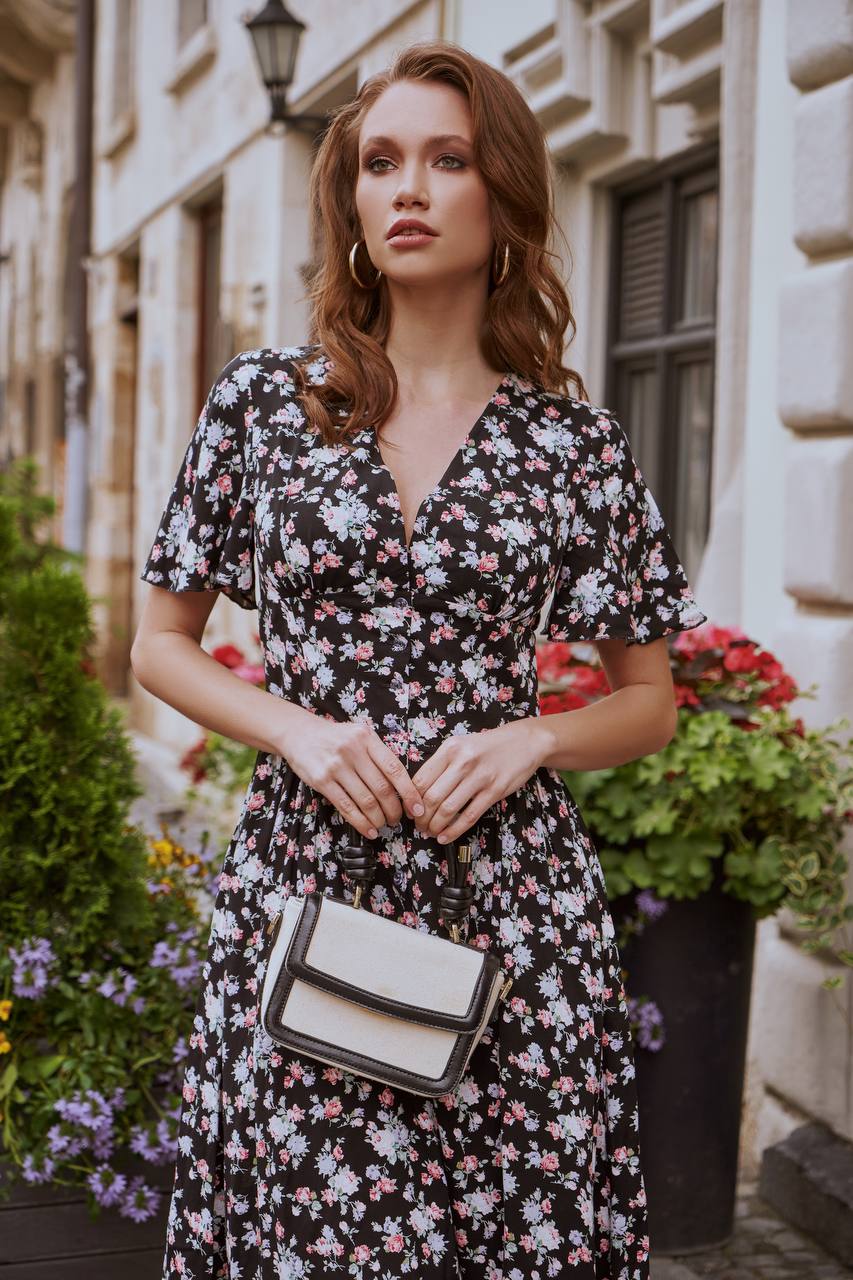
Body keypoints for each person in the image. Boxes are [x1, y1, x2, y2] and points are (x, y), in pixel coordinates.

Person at [132, 37, 707, 1280]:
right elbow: (159, 649)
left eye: (447, 159)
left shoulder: (573, 442)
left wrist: (533, 736)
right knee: (306, 1240)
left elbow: (649, 700)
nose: (407, 187)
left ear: (501, 196)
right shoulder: (265, 402)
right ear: (347, 202)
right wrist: (294, 726)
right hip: (307, 880)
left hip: (512, 907)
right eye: (378, 161)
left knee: (512, 1239)